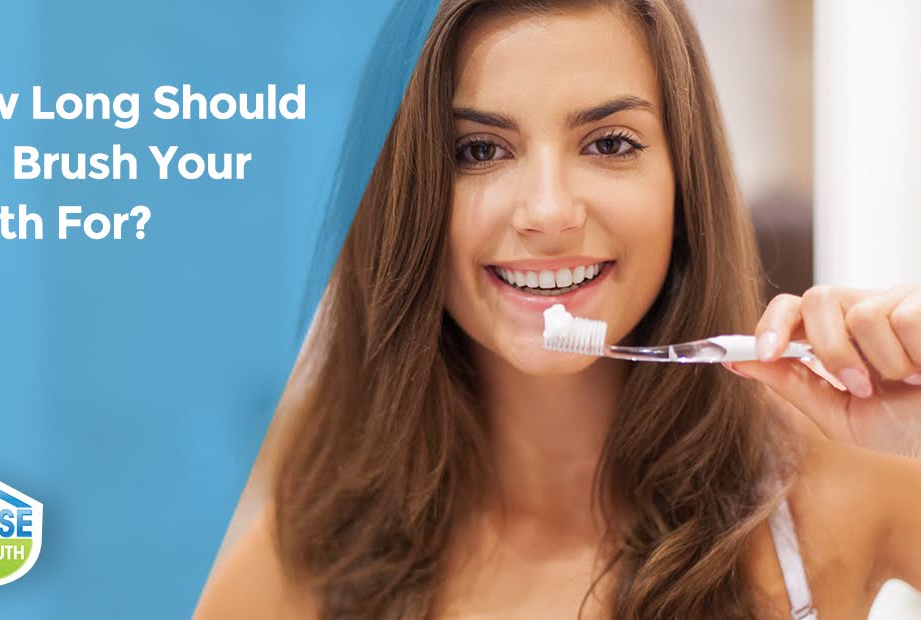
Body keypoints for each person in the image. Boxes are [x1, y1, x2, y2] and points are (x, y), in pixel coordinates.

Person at [195, 0, 921, 617]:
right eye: (479, 151)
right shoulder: (305, 566)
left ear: (682, 184)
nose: (547, 211)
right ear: (408, 199)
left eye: (609, 142)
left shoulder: (837, 482)